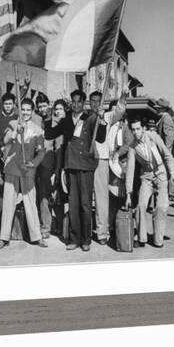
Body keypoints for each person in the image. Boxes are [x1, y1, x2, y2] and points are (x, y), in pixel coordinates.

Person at [44, 89, 107, 252]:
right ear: (71, 103)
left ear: (83, 102)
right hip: (71, 165)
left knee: (85, 205)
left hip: (86, 166)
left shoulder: (90, 117)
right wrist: (48, 116)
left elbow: (100, 137)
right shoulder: (65, 121)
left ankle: (86, 240)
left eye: (80, 101)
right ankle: (73, 239)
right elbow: (50, 134)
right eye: (74, 101)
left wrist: (102, 119)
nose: (77, 104)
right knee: (72, 204)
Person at [0, 98, 48, 249]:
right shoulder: (13, 124)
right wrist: (14, 133)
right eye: (22, 109)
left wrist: (34, 163)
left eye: (28, 110)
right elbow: (4, 141)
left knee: (31, 202)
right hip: (11, 168)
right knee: (8, 203)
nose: (25, 112)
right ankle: (3, 238)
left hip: (27, 170)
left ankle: (37, 236)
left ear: (32, 111)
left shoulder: (37, 129)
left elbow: (41, 151)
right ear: (20, 110)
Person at [125, 118, 174, 248]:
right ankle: (142, 238)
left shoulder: (153, 137)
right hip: (146, 176)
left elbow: (167, 155)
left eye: (138, 129)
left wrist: (172, 173)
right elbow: (130, 171)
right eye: (133, 129)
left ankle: (158, 240)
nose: (136, 132)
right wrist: (128, 194)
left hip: (160, 173)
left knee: (161, 207)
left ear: (143, 128)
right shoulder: (132, 147)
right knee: (141, 205)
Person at [89, 86, 128, 245]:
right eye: (93, 101)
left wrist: (124, 96)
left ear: (102, 104)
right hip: (85, 161)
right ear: (89, 103)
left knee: (101, 199)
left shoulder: (107, 116)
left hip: (101, 161)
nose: (96, 104)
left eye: (99, 101)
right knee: (85, 199)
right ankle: (86, 231)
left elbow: (119, 110)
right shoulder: (86, 117)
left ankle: (102, 232)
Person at [34, 94, 65, 239]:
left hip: (51, 164)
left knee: (55, 195)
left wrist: (57, 171)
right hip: (37, 164)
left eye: (44, 105)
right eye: (39, 106)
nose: (42, 109)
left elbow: (58, 149)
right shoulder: (36, 121)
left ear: (49, 105)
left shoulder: (56, 123)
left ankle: (58, 224)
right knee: (42, 197)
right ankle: (45, 226)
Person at [106, 104, 134, 232]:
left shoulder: (124, 128)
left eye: (116, 113)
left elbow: (128, 144)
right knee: (109, 197)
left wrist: (117, 153)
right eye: (112, 113)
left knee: (119, 197)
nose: (114, 116)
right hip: (107, 165)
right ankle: (110, 226)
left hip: (119, 166)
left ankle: (120, 227)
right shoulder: (106, 126)